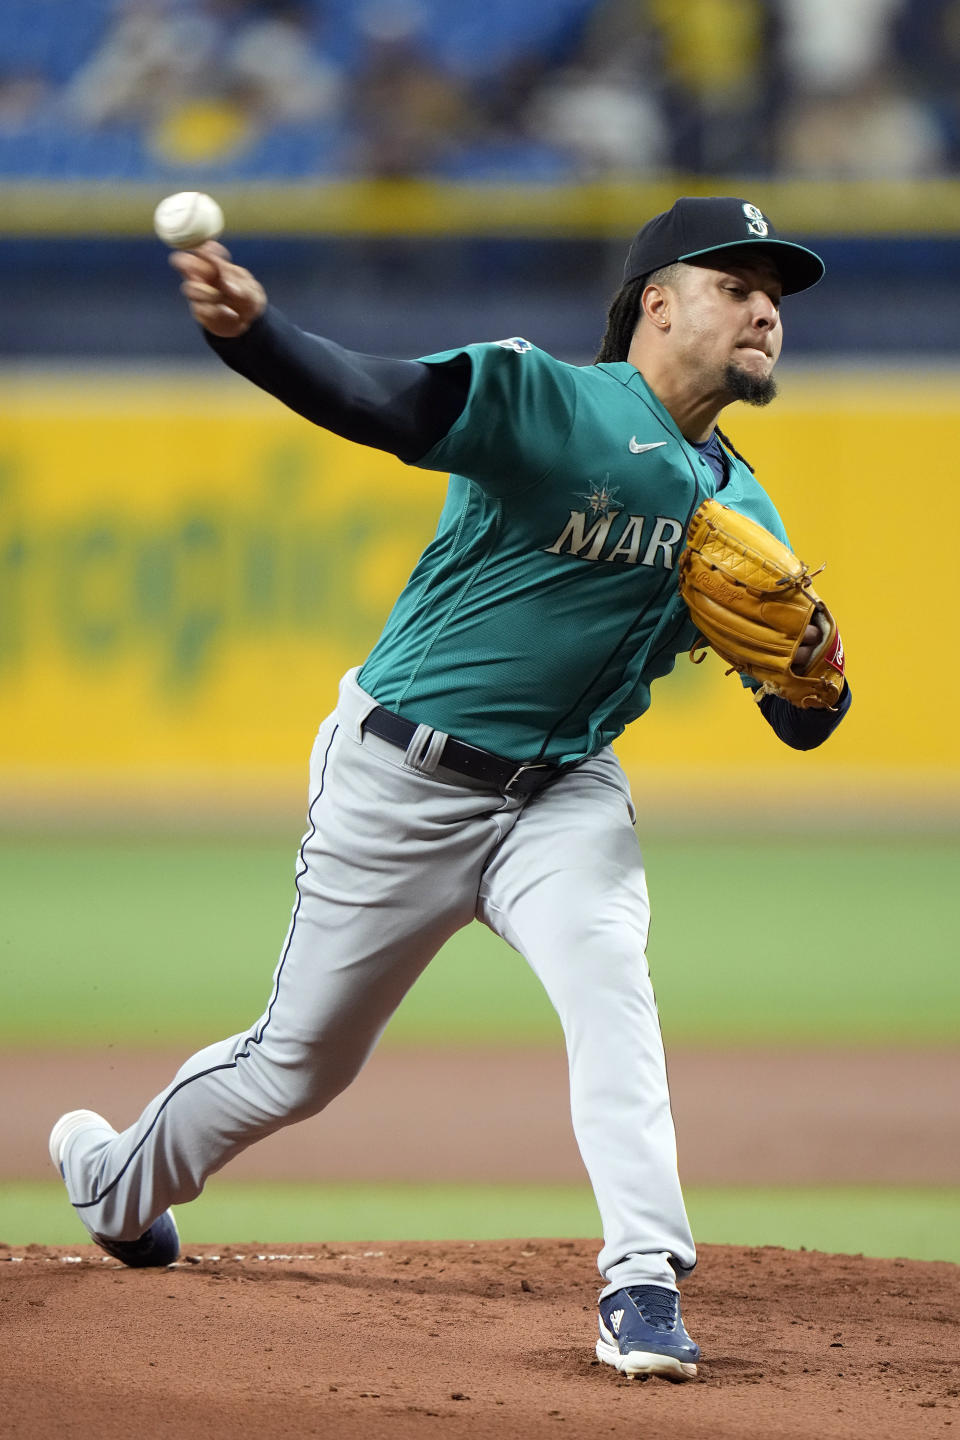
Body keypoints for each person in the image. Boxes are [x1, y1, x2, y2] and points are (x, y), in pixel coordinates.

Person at [49, 196, 851, 1382]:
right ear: (657, 304)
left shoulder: (747, 511)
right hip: (399, 779)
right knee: (299, 1065)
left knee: (610, 985)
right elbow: (383, 401)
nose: (766, 308)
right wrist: (255, 338)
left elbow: (799, 724)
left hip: (565, 795)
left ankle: (641, 1281)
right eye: (737, 284)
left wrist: (820, 681)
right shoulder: (549, 401)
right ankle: (116, 1184)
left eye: (776, 294)